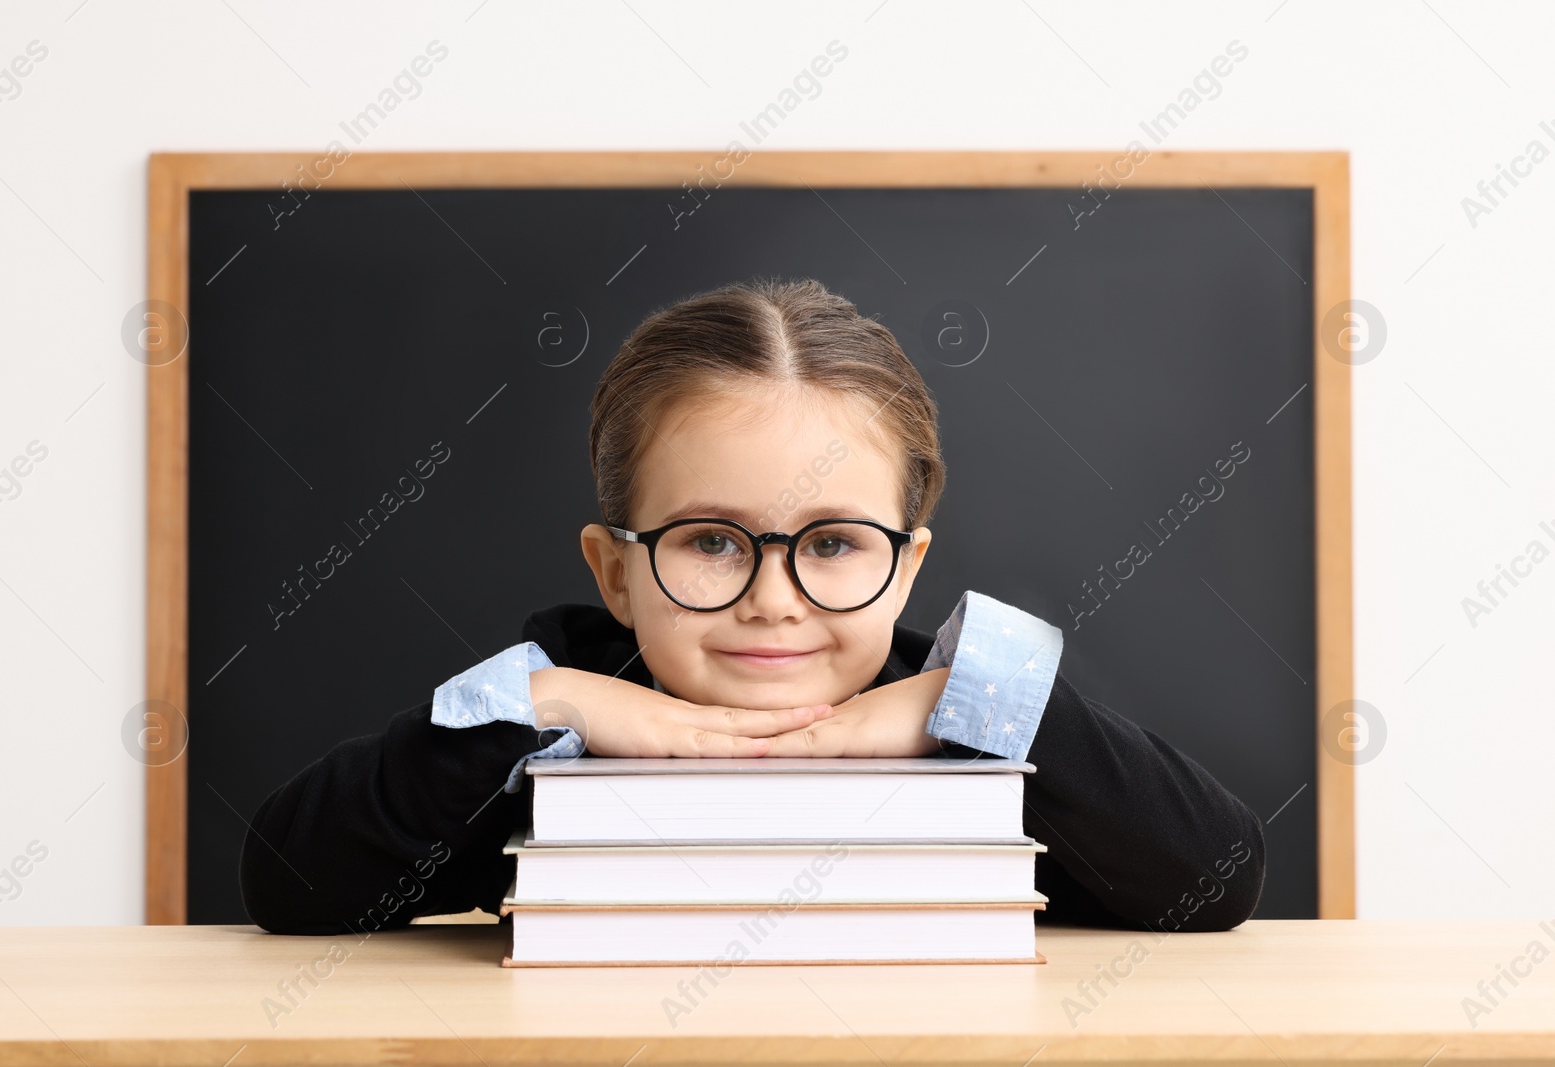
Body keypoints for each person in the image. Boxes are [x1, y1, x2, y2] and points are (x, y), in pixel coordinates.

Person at [240, 277, 1264, 937]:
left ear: (906, 570)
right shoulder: (538, 736)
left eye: (830, 544)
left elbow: (1215, 872)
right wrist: (549, 700)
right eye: (711, 540)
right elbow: (289, 879)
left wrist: (961, 706)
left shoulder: (961, 725)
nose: (773, 603)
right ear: (615, 573)